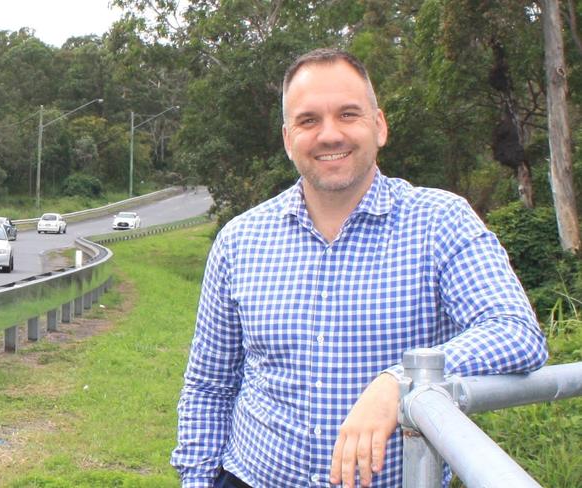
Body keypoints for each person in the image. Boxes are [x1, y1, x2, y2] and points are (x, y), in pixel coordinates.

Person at [171, 48, 548, 488]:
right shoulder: (239, 240)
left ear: (379, 125)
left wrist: (400, 382)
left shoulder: (441, 221)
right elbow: (208, 385)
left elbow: (515, 331)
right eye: (309, 121)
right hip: (250, 476)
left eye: (348, 114)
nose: (329, 135)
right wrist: (197, 480)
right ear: (288, 137)